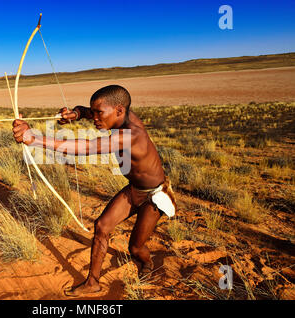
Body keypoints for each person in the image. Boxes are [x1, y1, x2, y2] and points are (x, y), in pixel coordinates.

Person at [12, 85, 176, 296]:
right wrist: (77, 113)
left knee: (135, 248)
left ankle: (147, 263)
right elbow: (90, 111)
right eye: (94, 112)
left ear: (119, 110)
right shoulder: (121, 113)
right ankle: (93, 282)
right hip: (135, 189)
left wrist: (33, 138)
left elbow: (85, 148)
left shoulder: (131, 135)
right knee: (102, 226)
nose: (95, 118)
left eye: (99, 113)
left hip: (154, 196)